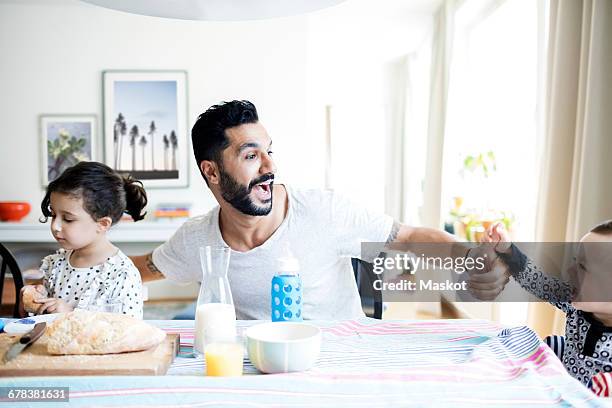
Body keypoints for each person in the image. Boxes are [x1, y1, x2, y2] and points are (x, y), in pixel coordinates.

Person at [131, 100, 509, 319]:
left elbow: (406, 237)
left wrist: (470, 255)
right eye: (250, 155)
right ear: (211, 172)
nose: (269, 167)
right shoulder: (198, 239)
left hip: (342, 368)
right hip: (261, 378)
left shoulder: (324, 210)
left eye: (269, 151)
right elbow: (136, 270)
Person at [483, 220, 612, 386]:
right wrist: (508, 250)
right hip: (563, 379)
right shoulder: (573, 301)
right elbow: (537, 281)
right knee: (547, 345)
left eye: (582, 266)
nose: (569, 270)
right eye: (575, 261)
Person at [19, 161, 148, 319]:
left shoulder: (121, 275)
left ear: (102, 224)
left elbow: (128, 333)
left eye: (68, 219)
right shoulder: (55, 264)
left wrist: (70, 315)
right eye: (53, 215)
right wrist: (37, 297)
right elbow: (36, 319)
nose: (55, 226)